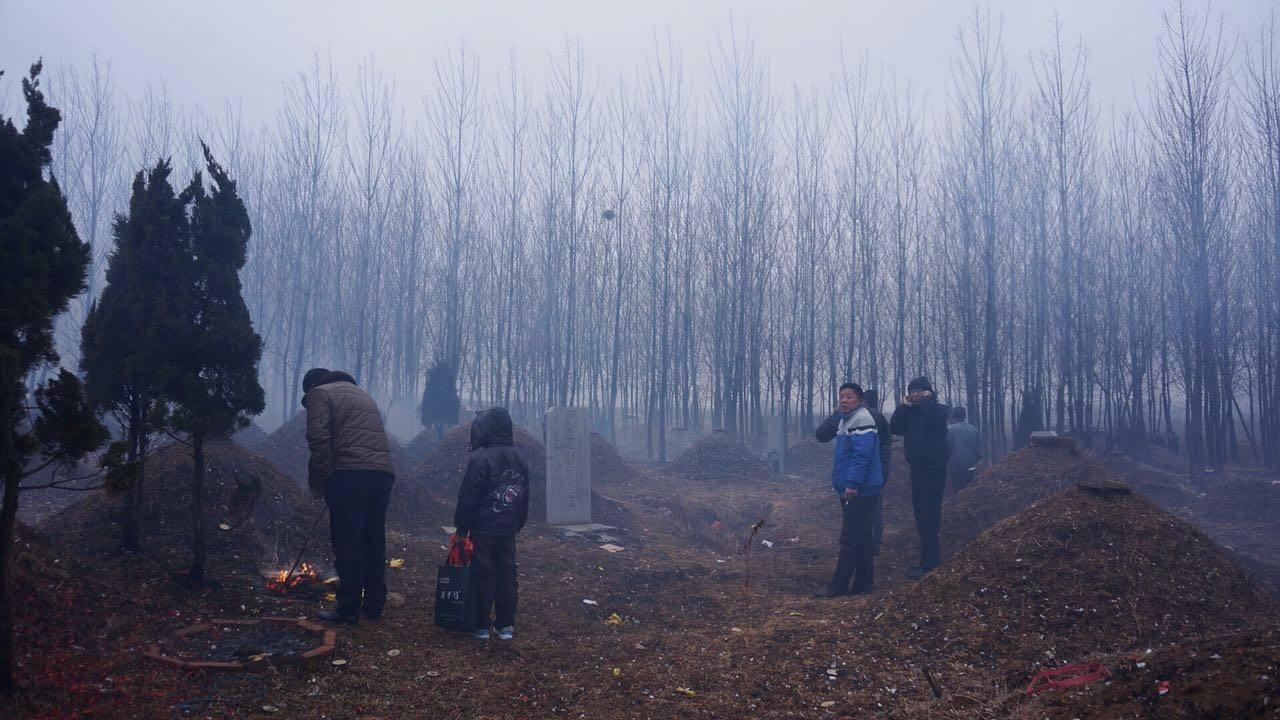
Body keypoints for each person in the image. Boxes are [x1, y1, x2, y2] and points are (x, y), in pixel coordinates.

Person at [303, 368, 397, 624]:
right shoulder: (361, 394)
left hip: (350, 475)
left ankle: (347, 609)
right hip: (382, 475)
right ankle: (374, 605)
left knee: (349, 542)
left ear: (310, 387)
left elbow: (319, 440)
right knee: (373, 540)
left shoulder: (319, 393)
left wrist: (322, 481)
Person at [454, 407, 530, 640]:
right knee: (507, 573)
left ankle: (480, 625)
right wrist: (518, 522)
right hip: (507, 528)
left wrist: (461, 528)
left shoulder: (480, 458)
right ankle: (505, 625)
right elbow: (525, 495)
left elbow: (469, 496)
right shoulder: (519, 457)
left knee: (482, 573)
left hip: (483, 528)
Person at [812, 383, 884, 598]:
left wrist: (852, 484)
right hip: (856, 488)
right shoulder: (847, 420)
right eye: (841, 396)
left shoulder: (862, 420)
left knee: (850, 538)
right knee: (862, 537)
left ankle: (839, 585)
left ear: (860, 400)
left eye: (849, 397)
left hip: (859, 490)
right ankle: (864, 583)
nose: (843, 400)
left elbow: (861, 456)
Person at [890, 376, 950, 580]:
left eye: (919, 391)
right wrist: (903, 407)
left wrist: (926, 401)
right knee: (920, 515)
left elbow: (937, 420)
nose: (914, 394)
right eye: (912, 391)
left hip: (935, 468)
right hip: (916, 469)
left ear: (928, 392)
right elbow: (895, 428)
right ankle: (926, 560)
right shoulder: (910, 412)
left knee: (930, 515)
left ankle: (930, 563)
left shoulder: (938, 409)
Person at [861, 389, 893, 555]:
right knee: (876, 505)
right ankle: (875, 541)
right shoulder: (881, 418)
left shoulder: (869, 418)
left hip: (873, 469)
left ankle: (871, 542)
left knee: (869, 505)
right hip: (882, 468)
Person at [946, 406, 981, 495]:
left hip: (955, 467)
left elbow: (947, 448)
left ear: (953, 416)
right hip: (971, 466)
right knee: (969, 492)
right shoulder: (974, 429)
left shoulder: (949, 430)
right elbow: (977, 449)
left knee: (958, 492)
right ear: (964, 416)